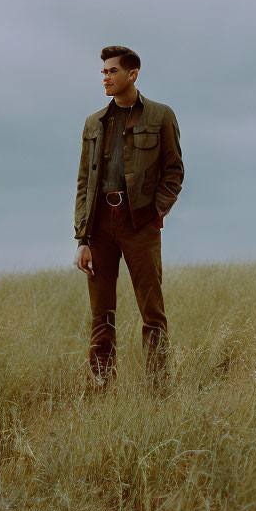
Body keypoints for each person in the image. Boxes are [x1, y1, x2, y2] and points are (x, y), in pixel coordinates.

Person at [73, 45, 184, 390]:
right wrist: (83, 238)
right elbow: (83, 183)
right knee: (101, 316)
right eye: (103, 71)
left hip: (140, 223)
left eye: (112, 71)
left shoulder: (161, 115)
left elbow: (174, 172)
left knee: (152, 313)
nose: (105, 77)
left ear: (132, 74)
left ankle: (158, 389)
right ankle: (101, 389)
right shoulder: (94, 123)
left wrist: (155, 212)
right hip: (100, 225)